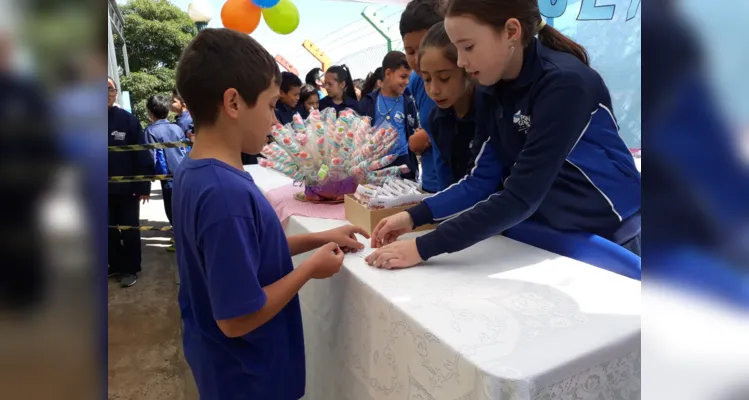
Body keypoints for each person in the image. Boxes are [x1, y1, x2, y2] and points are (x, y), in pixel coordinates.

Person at [365, 0, 641, 270]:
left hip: (616, 236)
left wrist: (422, 247)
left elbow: (521, 196)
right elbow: (481, 179)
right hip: (551, 234)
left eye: (468, 47)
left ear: (511, 31)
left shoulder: (564, 85)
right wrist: (414, 216)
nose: (461, 60)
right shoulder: (491, 89)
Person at [173, 28, 370, 399]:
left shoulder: (195, 170)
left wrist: (318, 238)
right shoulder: (224, 194)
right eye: (267, 106)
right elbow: (236, 318)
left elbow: (247, 254)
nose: (275, 122)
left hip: (224, 367)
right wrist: (310, 268)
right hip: (249, 378)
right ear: (232, 103)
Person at [419, 21, 477, 188]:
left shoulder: (491, 110)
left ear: (466, 68)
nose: (434, 90)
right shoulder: (437, 119)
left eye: (444, 78)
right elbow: (448, 183)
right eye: (427, 79)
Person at [108, 76, 152, 287]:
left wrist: (144, 186)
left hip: (127, 191)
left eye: (109, 89)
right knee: (106, 230)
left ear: (116, 93)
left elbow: (142, 156)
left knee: (129, 229)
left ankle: (130, 269)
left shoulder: (128, 121)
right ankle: (114, 266)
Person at [400, 0, 443, 193]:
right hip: (432, 185)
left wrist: (426, 136)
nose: (417, 58)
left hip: (465, 191)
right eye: (410, 51)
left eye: (425, 47)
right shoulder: (415, 80)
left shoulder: (470, 77)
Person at [358, 51, 419, 181]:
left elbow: (413, 131)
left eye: (409, 77)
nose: (407, 82)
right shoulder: (368, 102)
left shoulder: (408, 103)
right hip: (376, 165)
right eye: (403, 77)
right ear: (388, 73)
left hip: (403, 164)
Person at [144, 94, 188, 252]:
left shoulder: (150, 131)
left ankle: (179, 239)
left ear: (150, 112)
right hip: (184, 172)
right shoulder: (176, 127)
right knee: (184, 207)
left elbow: (151, 156)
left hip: (167, 176)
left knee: (171, 209)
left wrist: (150, 175)